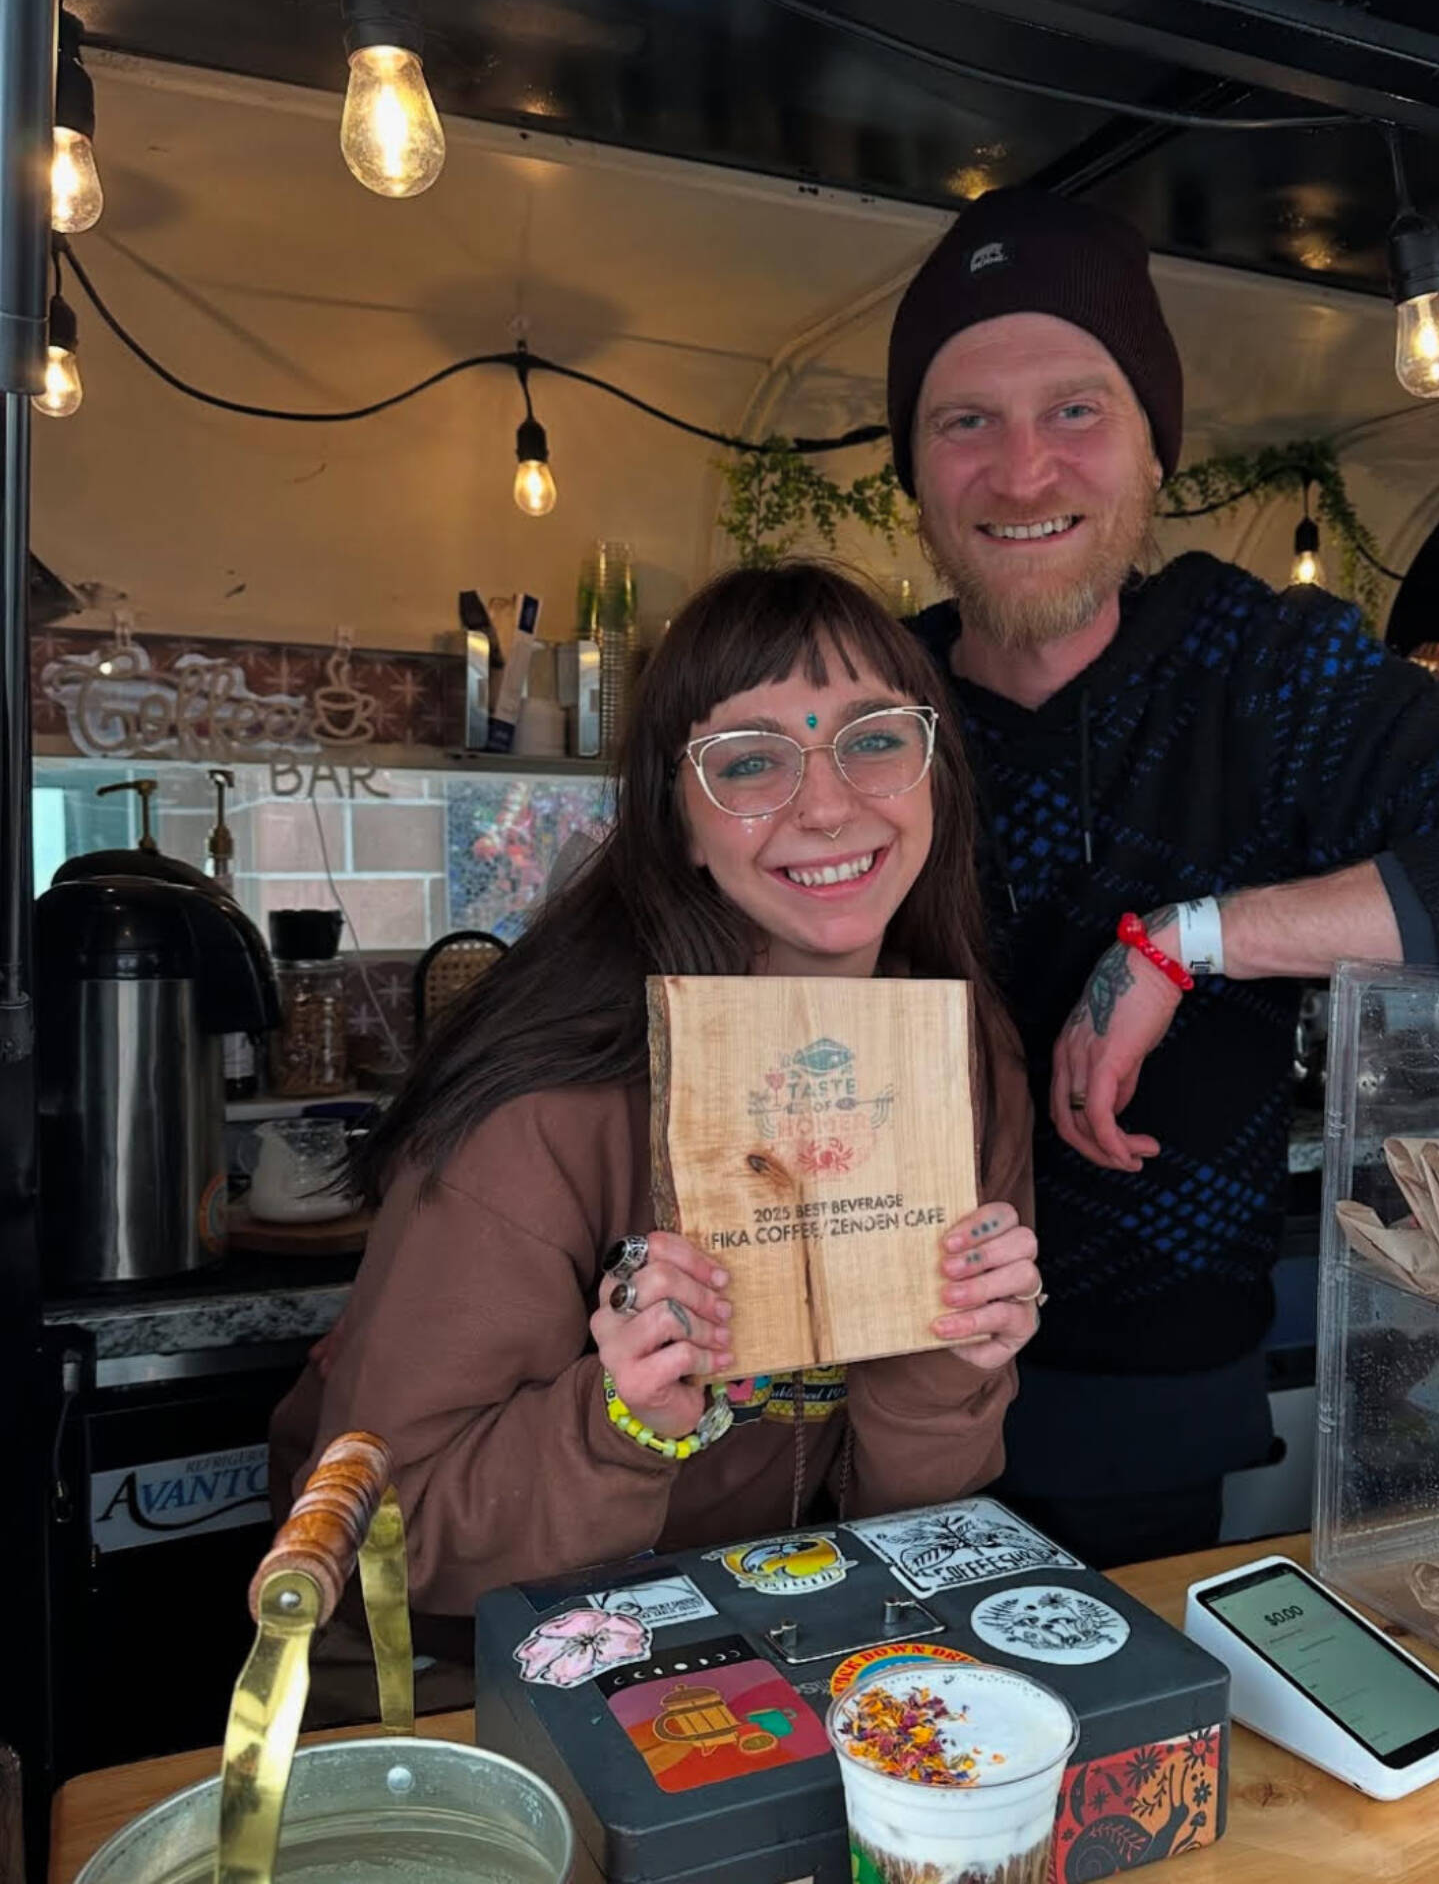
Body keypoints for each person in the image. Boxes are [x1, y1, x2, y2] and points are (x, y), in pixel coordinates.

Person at [888, 187, 1439, 1568]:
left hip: (1141, 1422)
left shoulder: (1262, 674)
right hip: (850, 1403)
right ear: (914, 463)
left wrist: (1187, 938)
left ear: (1153, 449)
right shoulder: (867, 699)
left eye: (1076, 409)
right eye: (966, 420)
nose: (1022, 471)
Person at [271, 562, 1042, 1621]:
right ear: (677, 819)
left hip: (774, 1648)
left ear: (933, 771)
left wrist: (943, 1364)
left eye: (873, 739)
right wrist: (621, 1417)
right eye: (750, 763)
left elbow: (914, 1514)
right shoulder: (546, 1101)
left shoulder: (962, 1060)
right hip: (492, 1680)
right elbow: (386, 1536)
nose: (826, 804)